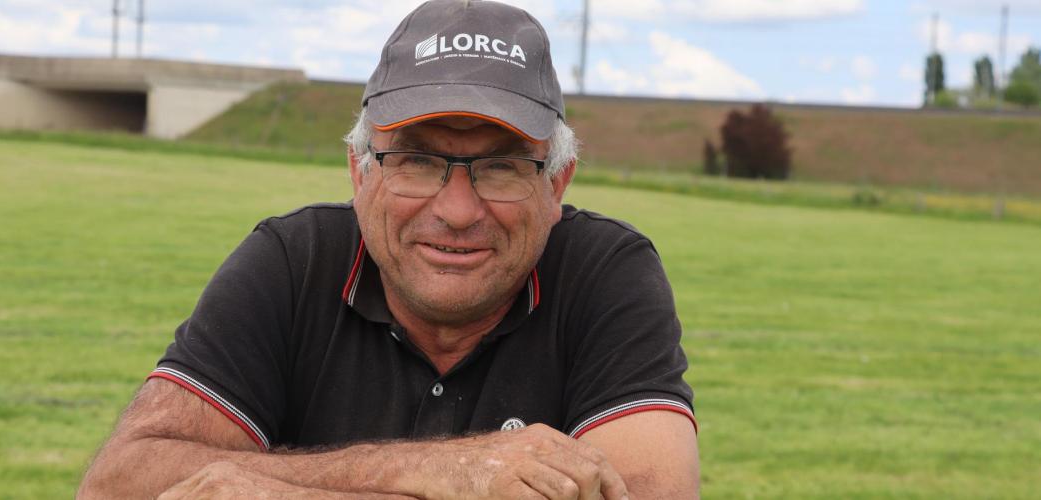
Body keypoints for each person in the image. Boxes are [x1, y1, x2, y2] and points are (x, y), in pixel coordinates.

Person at [78, 0, 698, 498]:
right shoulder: (295, 260)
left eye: (503, 167)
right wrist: (434, 472)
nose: (457, 211)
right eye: (416, 161)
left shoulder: (604, 271)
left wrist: (271, 485)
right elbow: (117, 483)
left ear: (556, 184)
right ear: (359, 172)